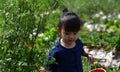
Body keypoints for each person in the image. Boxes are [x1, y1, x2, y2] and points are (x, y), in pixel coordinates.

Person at [45, 8, 94, 72]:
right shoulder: (56, 50)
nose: (71, 37)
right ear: (59, 31)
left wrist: (87, 55)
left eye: (74, 33)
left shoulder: (78, 43)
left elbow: (80, 51)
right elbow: (49, 67)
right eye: (67, 33)